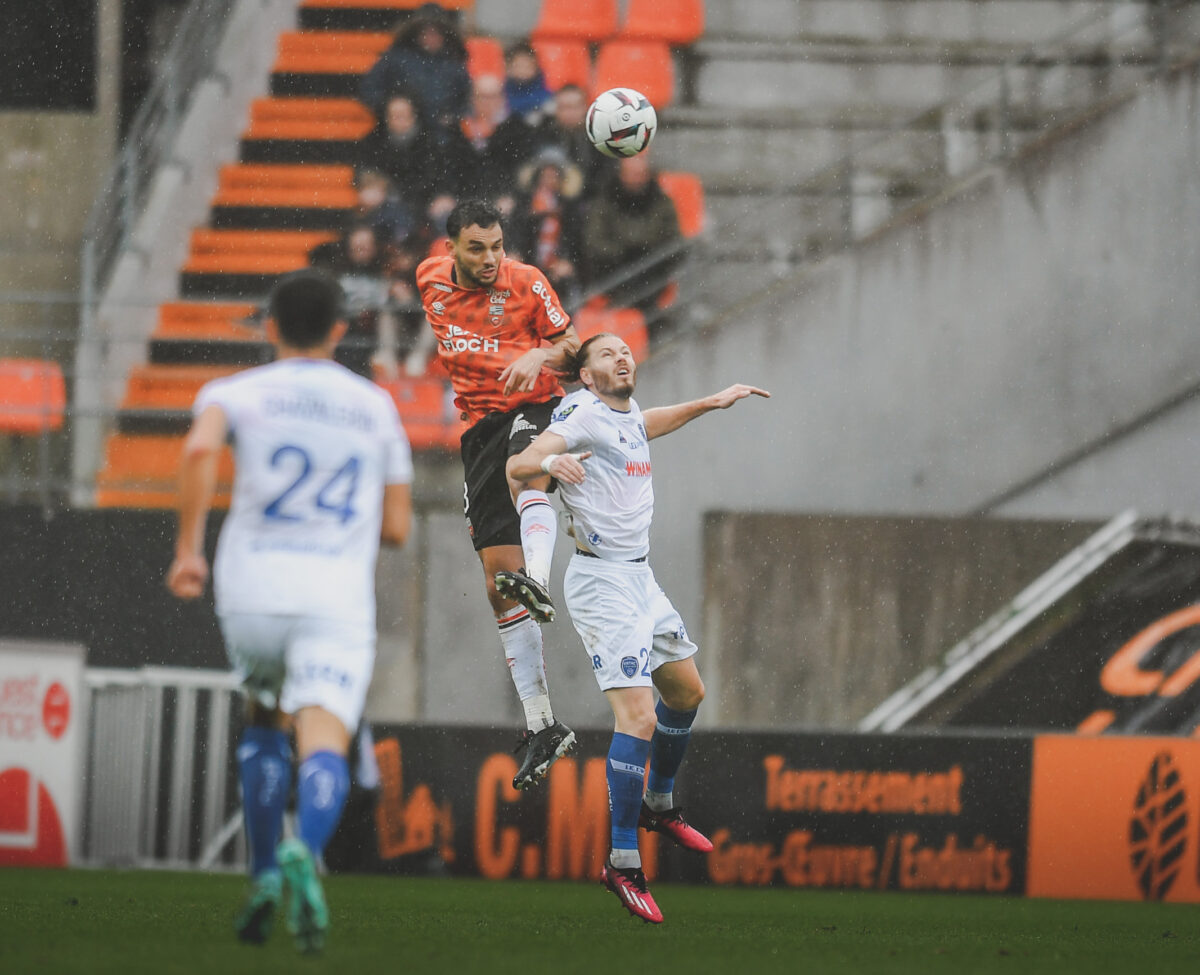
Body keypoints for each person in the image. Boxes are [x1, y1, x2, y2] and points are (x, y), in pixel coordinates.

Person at [166, 268, 414, 953]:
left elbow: (199, 448)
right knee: (324, 737)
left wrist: (188, 550)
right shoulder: (375, 406)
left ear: (270, 326)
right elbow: (397, 528)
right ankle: (305, 845)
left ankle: (263, 876)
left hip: (251, 590)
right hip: (332, 596)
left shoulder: (233, 392)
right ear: (340, 329)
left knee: (265, 720)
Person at [506, 332, 769, 923]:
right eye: (607, 353)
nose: (622, 356)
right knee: (639, 717)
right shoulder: (581, 412)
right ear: (586, 376)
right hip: (602, 584)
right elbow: (518, 466)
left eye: (625, 350)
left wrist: (709, 402)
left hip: (639, 577)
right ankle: (622, 862)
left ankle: (658, 804)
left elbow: (646, 424)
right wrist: (548, 462)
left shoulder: (621, 416)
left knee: (687, 692)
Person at [415, 198, 580, 789]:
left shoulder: (528, 283)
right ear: (451, 249)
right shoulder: (429, 279)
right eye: (477, 248)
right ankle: (543, 725)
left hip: (538, 408)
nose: (490, 259)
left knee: (525, 467)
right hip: (480, 430)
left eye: (498, 246)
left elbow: (575, 348)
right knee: (496, 582)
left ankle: (538, 576)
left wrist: (540, 352)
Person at [582, 151, 684, 321]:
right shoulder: (604, 203)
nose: (636, 180)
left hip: (652, 272)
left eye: (640, 174)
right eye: (631, 174)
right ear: (621, 174)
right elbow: (594, 242)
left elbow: (674, 241)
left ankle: (644, 320)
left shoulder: (662, 203)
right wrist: (622, 252)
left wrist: (648, 251)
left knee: (649, 279)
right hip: (614, 272)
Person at [359, 4, 471, 140]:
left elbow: (467, 99)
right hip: (402, 135)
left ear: (445, 34)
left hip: (441, 135)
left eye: (436, 33)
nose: (431, 37)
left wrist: (452, 116)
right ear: (416, 33)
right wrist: (390, 109)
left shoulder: (454, 62)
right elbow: (369, 88)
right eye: (426, 32)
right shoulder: (396, 58)